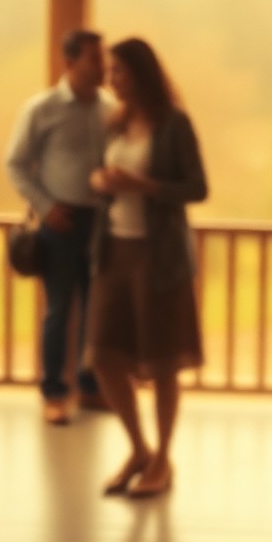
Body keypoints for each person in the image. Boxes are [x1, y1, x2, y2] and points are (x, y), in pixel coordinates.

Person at [87, 37, 208, 499]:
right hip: (113, 250)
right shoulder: (114, 123)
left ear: (140, 72)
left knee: (161, 363)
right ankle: (138, 448)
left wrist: (145, 184)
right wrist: (102, 182)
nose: (110, 79)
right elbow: (104, 176)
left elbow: (197, 188)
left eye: (117, 70)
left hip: (159, 258)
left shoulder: (174, 125)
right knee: (104, 356)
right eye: (109, 71)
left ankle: (162, 459)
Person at [5, 29, 115, 425]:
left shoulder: (109, 107)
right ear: (69, 63)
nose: (102, 67)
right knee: (58, 310)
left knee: (95, 309)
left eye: (103, 58)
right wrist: (46, 207)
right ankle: (53, 393)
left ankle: (88, 386)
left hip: (102, 222)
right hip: (61, 222)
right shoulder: (42, 108)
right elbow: (15, 164)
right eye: (94, 59)